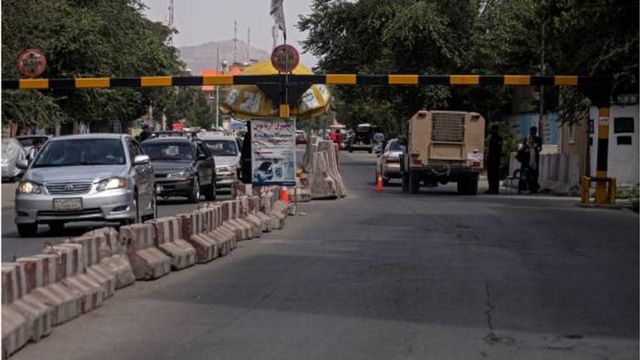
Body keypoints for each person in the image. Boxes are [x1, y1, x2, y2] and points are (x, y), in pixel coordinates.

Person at [522, 126, 542, 193]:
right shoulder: (526, 139)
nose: (532, 132)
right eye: (531, 131)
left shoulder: (538, 139)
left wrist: (536, 148)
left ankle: (534, 188)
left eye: (533, 131)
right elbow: (523, 147)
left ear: (536, 132)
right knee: (528, 173)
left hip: (535, 159)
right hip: (528, 159)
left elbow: (540, 148)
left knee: (535, 174)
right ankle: (530, 188)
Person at [484, 124, 502, 194]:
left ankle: (495, 189)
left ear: (496, 130)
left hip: (495, 160)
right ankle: (491, 188)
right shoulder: (492, 137)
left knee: (495, 175)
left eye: (493, 129)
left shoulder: (498, 138)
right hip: (491, 159)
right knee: (490, 175)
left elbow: (498, 150)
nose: (492, 131)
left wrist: (495, 158)